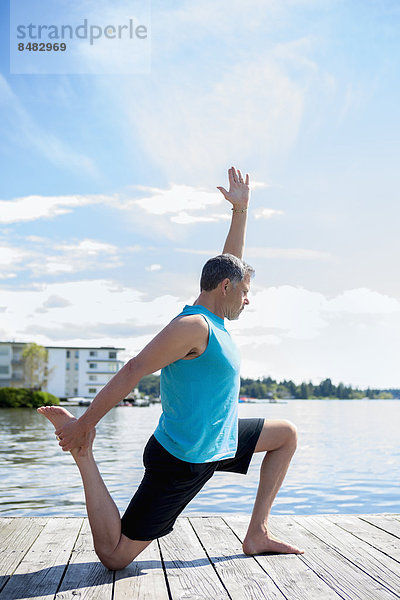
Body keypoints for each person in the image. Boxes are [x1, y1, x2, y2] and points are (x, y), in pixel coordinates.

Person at [38, 166, 303, 571]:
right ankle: (83, 454)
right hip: (182, 459)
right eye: (245, 292)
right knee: (114, 557)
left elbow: (231, 264)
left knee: (285, 435)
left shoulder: (217, 318)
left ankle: (257, 533)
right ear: (226, 288)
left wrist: (241, 212)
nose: (248, 301)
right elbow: (133, 370)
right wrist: (84, 424)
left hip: (219, 442)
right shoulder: (193, 326)